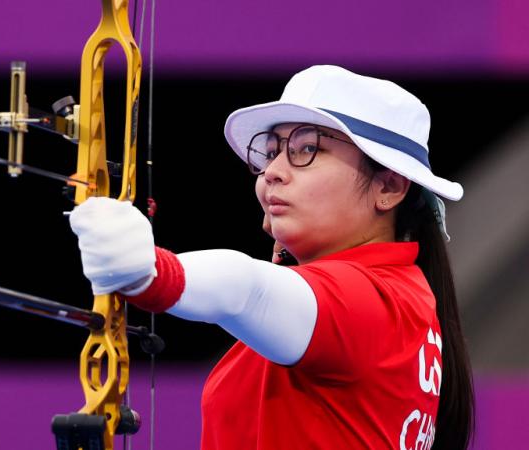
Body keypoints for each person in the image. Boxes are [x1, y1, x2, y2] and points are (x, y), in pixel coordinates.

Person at [69, 65, 474, 450]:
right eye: (271, 151)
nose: (272, 171)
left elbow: (247, 290)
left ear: (388, 186)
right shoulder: (398, 296)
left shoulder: (375, 300)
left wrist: (151, 274)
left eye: (307, 149)